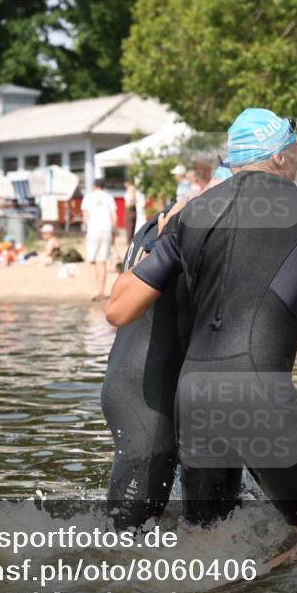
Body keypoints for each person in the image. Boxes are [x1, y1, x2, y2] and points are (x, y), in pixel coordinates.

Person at [106, 108, 297, 536]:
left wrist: (160, 239)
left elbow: (118, 311)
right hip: (255, 393)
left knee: (208, 540)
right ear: (278, 157)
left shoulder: (190, 214)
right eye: (293, 150)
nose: (296, 158)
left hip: (192, 397)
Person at [104, 165, 241, 530]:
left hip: (151, 382)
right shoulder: (196, 227)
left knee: (217, 524)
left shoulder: (165, 218)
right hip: (146, 393)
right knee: (126, 539)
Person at [81, 178, 116, 301]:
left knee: (92, 261)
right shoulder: (109, 197)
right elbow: (114, 217)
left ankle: (94, 290)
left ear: (94, 186)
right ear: (104, 186)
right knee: (102, 262)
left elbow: (85, 218)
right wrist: (114, 231)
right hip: (106, 230)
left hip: (93, 230)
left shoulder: (88, 197)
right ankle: (102, 291)